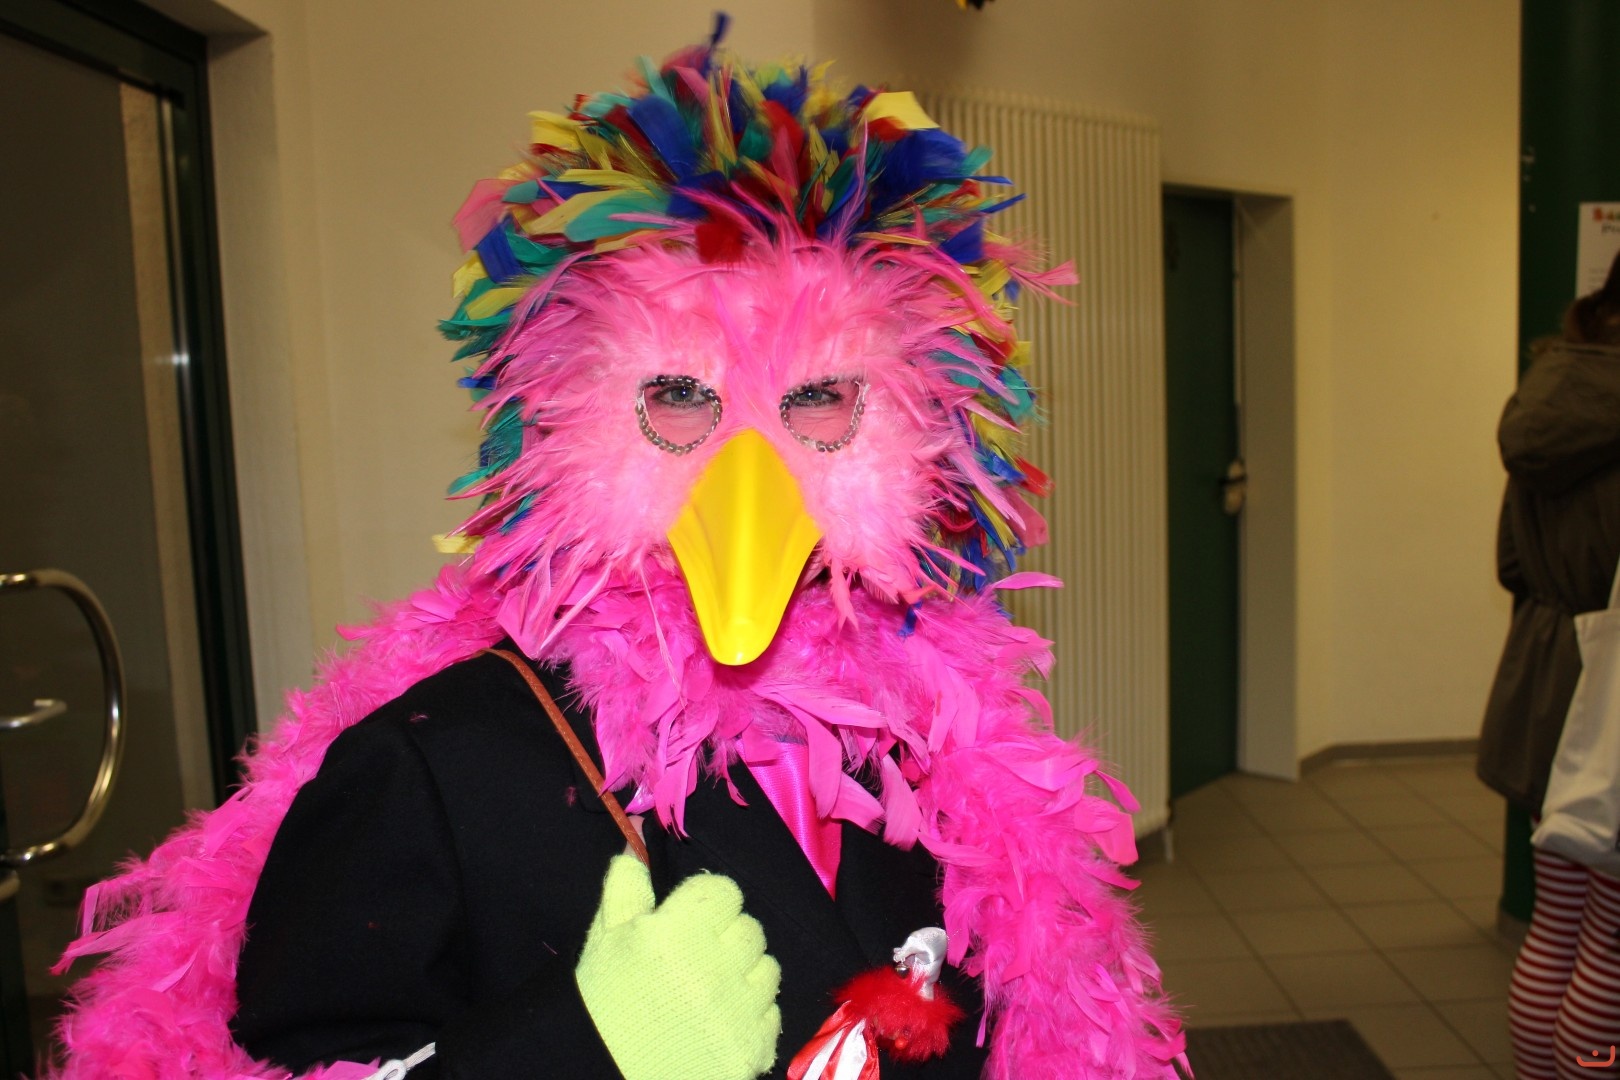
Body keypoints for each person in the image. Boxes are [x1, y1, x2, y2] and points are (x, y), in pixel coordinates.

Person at [48, 36, 1185, 1080]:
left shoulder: (942, 733)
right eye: (679, 400)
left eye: (822, 403)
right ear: (562, 415)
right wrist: (585, 1048)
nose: (753, 480)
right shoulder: (432, 766)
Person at [1480, 246, 1620, 1079]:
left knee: (1560, 921)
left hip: (1543, 670)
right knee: (1611, 942)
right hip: (1610, 689)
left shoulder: (1548, 390)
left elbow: (1510, 560)